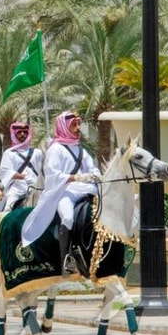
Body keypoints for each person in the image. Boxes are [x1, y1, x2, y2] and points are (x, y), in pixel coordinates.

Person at [22, 110, 101, 275]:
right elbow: (52, 175)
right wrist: (76, 177)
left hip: (85, 189)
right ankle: (67, 257)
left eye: (79, 124)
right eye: (74, 125)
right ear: (64, 126)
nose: (78, 128)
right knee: (68, 217)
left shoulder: (80, 149)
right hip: (65, 191)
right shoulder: (55, 149)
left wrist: (95, 174)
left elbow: (92, 167)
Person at [0, 121, 44, 214]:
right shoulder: (9, 153)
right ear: (14, 134)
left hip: (35, 185)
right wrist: (24, 177)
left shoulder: (37, 152)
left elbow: (42, 169)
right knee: (7, 208)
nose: (23, 134)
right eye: (19, 132)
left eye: (25, 132)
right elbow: (6, 172)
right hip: (17, 188)